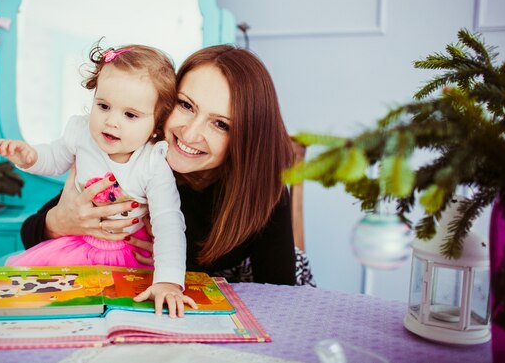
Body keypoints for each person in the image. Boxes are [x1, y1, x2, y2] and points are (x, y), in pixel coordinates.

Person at [20, 44, 301, 315]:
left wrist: (166, 263)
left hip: (235, 296)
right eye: (186, 105)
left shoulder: (264, 190)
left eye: (220, 124)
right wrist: (57, 223)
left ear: (246, 137)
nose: (190, 134)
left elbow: (281, 296)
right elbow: (30, 234)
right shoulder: (141, 159)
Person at [0, 44, 195, 315]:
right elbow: (53, 158)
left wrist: (168, 281)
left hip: (130, 256)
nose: (111, 121)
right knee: (56, 308)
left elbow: (168, 223)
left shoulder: (153, 163)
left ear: (158, 123)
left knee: (123, 314)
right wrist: (29, 156)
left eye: (130, 115)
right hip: (77, 246)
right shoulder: (81, 134)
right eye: (104, 106)